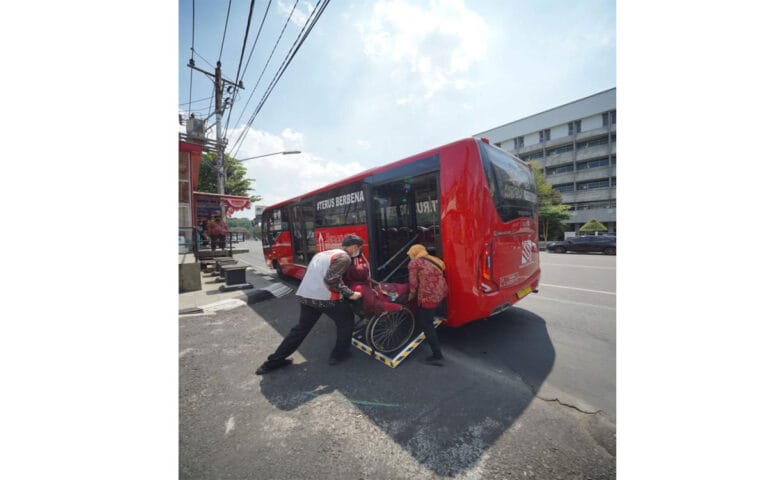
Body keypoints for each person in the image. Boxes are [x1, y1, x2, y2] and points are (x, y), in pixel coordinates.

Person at [255, 234, 365, 375]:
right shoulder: (345, 258)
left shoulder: (323, 254)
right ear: (354, 247)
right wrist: (351, 294)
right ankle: (338, 355)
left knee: (300, 329)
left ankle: (273, 362)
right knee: (346, 321)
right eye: (358, 248)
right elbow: (331, 280)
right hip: (326, 299)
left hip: (306, 296)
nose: (358, 251)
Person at [406, 244, 448, 366]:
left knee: (427, 325)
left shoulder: (414, 263)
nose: (410, 256)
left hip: (428, 297)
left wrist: (411, 296)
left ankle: (437, 355)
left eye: (410, 254)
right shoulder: (435, 259)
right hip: (441, 292)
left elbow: (413, 284)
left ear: (414, 253)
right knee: (430, 318)